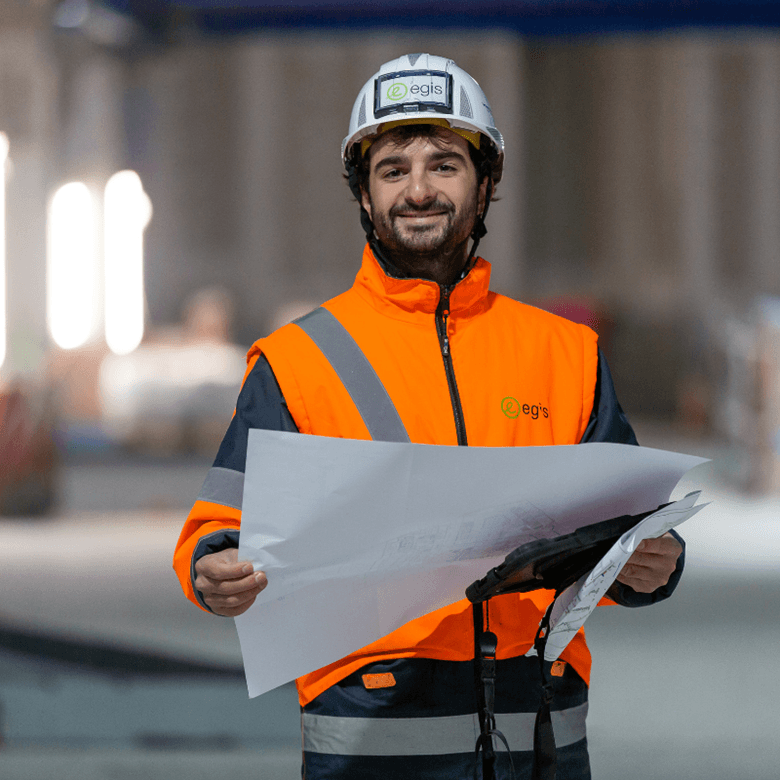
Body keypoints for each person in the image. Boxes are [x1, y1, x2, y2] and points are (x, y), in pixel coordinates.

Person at [173, 53, 684, 780]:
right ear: (363, 192)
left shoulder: (564, 353)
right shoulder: (296, 361)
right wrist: (210, 567)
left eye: (444, 164)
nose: (418, 190)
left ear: (487, 184)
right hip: (371, 740)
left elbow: (631, 528)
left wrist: (653, 565)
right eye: (392, 169)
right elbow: (216, 527)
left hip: (538, 736)